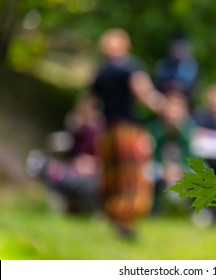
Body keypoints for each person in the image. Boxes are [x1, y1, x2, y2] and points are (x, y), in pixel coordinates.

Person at [91, 28, 165, 237]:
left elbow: (91, 101)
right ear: (125, 45)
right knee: (130, 177)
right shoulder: (130, 67)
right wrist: (163, 106)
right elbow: (143, 93)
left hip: (107, 131)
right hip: (127, 132)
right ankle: (126, 219)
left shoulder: (100, 70)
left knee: (111, 175)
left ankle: (112, 217)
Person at [147, 90, 197, 215]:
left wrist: (179, 169)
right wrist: (165, 169)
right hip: (160, 167)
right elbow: (151, 154)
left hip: (182, 169)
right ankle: (153, 209)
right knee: (146, 172)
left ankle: (196, 210)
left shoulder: (189, 129)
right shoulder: (155, 128)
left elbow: (192, 156)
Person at [154, 36, 199, 105]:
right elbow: (158, 85)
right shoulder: (163, 65)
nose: (177, 52)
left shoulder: (193, 67)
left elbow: (193, 89)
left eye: (180, 49)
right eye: (175, 49)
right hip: (164, 102)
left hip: (185, 103)